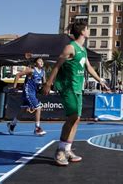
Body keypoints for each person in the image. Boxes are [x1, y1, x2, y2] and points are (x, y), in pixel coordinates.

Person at [42, 22, 110, 166]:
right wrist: (48, 83)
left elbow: (89, 67)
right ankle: (60, 151)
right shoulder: (70, 47)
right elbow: (57, 65)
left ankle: (67, 149)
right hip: (68, 87)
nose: (88, 30)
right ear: (82, 32)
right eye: (87, 29)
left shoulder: (83, 50)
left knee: (77, 119)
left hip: (78, 88)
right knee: (73, 116)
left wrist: (100, 81)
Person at [7, 57, 47, 136]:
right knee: (38, 108)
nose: (42, 62)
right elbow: (18, 75)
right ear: (35, 63)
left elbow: (44, 83)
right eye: (40, 61)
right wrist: (14, 87)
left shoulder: (43, 72)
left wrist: (46, 87)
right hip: (28, 92)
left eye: (42, 61)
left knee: (23, 110)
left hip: (33, 93)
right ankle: (37, 128)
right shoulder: (31, 70)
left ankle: (12, 124)